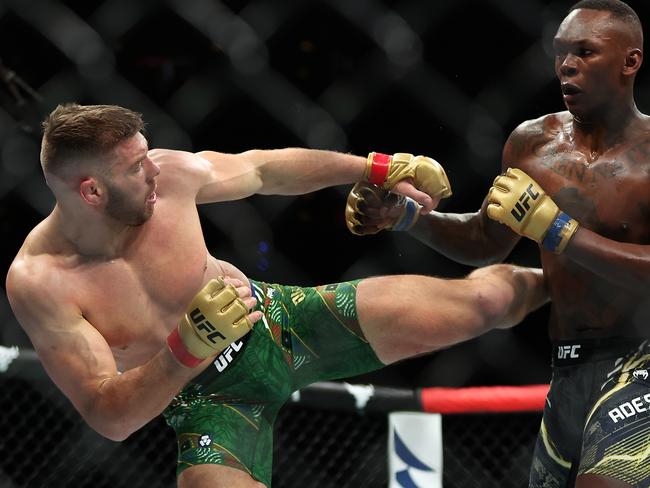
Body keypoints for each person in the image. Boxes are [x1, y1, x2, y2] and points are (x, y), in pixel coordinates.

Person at [4, 103, 548, 488]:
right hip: (208, 402)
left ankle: (559, 283)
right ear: (91, 191)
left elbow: (263, 168)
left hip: (277, 319)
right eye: (135, 167)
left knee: (482, 305)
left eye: (147, 155)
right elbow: (108, 415)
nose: (154, 170)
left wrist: (377, 166)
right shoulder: (41, 281)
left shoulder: (168, 174)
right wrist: (186, 347)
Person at [346, 1, 650, 487]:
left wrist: (559, 232)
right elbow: (487, 242)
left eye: (585, 52)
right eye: (560, 53)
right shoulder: (532, 145)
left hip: (642, 360)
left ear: (630, 62)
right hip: (568, 366)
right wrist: (407, 217)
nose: (567, 66)